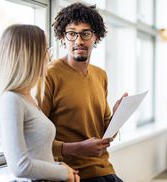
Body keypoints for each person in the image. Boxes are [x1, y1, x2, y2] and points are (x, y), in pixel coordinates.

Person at [36, 2, 127, 182]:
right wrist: (78, 148)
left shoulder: (100, 75)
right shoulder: (49, 75)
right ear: (63, 37)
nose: (79, 41)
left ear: (96, 37)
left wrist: (118, 116)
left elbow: (103, 136)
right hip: (72, 174)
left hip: (104, 169)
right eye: (71, 34)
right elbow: (35, 140)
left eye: (85, 33)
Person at [0, 24, 80, 182]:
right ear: (30, 56)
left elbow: (38, 153)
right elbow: (20, 166)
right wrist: (62, 172)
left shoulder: (29, 99)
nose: (49, 57)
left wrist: (60, 166)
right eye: (46, 51)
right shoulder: (11, 100)